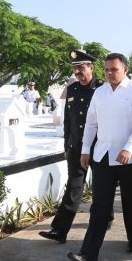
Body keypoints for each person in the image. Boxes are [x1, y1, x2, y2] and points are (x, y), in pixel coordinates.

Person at [67, 53, 132, 261]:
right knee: (99, 206)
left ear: (125, 70)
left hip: (129, 158)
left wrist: (129, 148)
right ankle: (88, 253)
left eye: (114, 69)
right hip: (102, 156)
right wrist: (85, 150)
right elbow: (91, 123)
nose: (110, 73)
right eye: (107, 70)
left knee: (131, 202)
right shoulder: (100, 93)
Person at [39, 49, 105, 243]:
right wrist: (67, 144)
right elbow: (68, 120)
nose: (78, 71)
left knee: (102, 187)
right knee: (74, 188)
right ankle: (60, 230)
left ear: (91, 67)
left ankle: (106, 216)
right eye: (75, 68)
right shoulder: (72, 89)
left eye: (81, 67)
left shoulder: (102, 89)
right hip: (77, 146)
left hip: (98, 146)